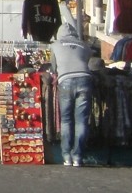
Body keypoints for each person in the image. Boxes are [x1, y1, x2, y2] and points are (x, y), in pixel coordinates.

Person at [50, 23, 94, 167]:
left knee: (67, 120)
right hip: (85, 79)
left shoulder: (55, 45)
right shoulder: (84, 45)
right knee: (81, 121)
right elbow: (88, 62)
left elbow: (53, 67)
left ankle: (66, 156)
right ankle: (78, 157)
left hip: (66, 80)